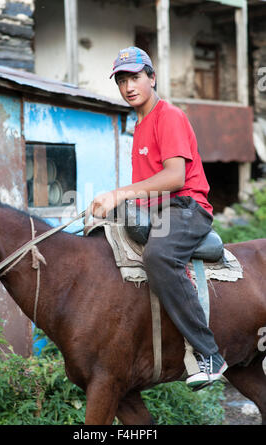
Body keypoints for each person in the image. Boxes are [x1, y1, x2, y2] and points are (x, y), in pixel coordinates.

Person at [88, 46, 227, 390]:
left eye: (135, 77)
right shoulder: (139, 127)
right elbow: (145, 190)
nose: (128, 86)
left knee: (158, 256)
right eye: (122, 80)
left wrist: (119, 193)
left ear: (152, 77)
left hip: (187, 208)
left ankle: (209, 353)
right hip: (158, 211)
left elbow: (175, 177)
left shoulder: (170, 116)